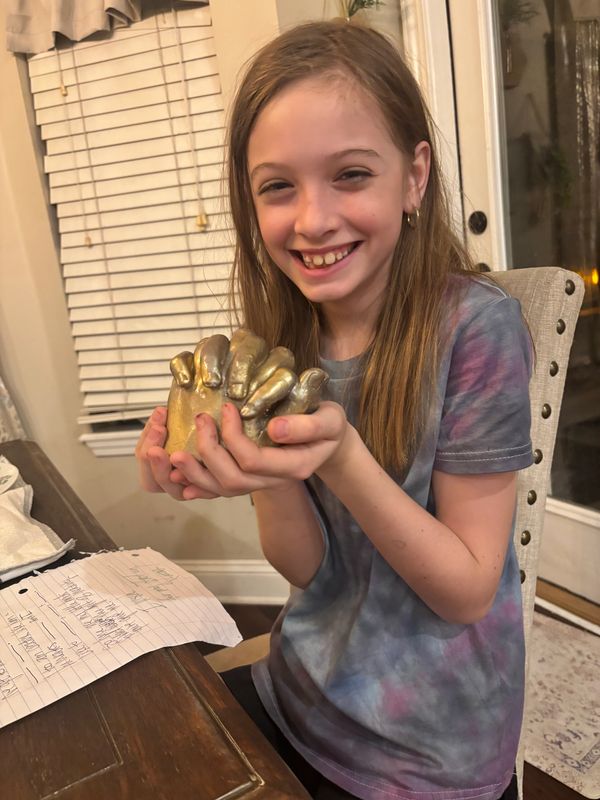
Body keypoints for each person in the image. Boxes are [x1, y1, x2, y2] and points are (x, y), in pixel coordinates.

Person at [136, 19, 533, 800]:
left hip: (427, 750)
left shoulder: (477, 330)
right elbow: (306, 567)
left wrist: (341, 455)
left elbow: (466, 591)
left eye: (350, 174)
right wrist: (263, 469)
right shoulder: (279, 344)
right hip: (300, 696)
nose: (312, 219)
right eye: (278, 186)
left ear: (414, 177)